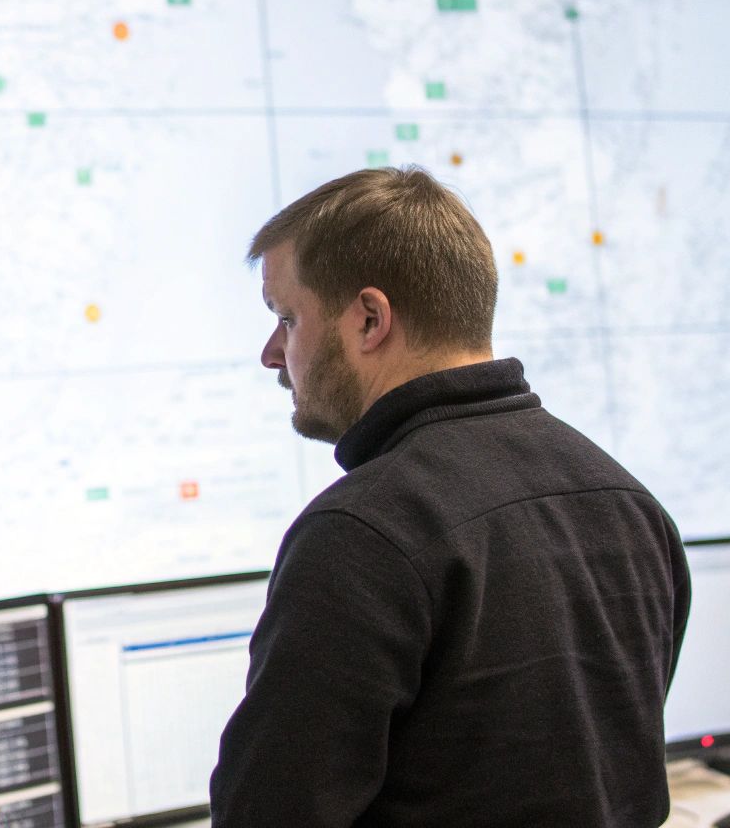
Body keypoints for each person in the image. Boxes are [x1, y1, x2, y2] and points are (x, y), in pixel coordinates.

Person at [209, 166, 690, 826]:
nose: (271, 353)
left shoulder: (363, 534)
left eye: (288, 319)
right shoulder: (628, 502)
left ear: (370, 319)